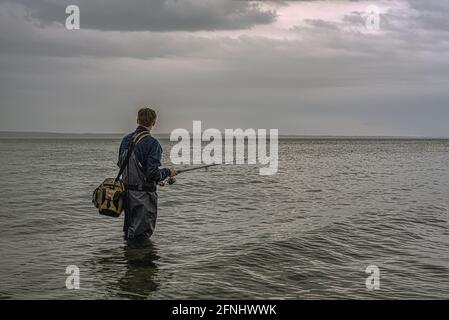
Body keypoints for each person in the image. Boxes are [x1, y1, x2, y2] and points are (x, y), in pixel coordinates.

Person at [118, 107, 176, 242]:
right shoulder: (153, 143)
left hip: (126, 194)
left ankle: (128, 261)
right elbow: (152, 173)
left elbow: (123, 166)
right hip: (143, 197)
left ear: (137, 120)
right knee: (141, 237)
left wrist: (155, 180)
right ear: (154, 123)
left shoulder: (125, 140)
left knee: (129, 233)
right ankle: (142, 262)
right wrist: (168, 172)